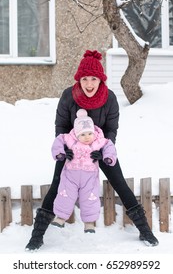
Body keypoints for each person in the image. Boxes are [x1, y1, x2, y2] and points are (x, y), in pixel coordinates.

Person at [25, 50, 159, 251]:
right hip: (71, 151)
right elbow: (60, 126)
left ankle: (145, 231)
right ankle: (36, 237)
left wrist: (104, 150)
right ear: (79, 79)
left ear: (100, 79)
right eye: (85, 79)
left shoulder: (110, 98)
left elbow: (111, 129)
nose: (89, 84)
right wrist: (65, 149)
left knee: (120, 184)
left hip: (100, 150)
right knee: (55, 185)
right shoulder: (68, 96)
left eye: (93, 79)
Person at [51, 109, 117, 233]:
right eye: (82, 134)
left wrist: (107, 157)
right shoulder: (70, 140)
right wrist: (60, 153)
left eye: (89, 133)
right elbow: (59, 140)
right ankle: (60, 217)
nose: (87, 137)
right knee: (65, 194)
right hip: (71, 174)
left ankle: (89, 223)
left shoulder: (99, 141)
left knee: (90, 198)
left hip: (89, 176)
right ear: (76, 134)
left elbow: (109, 145)